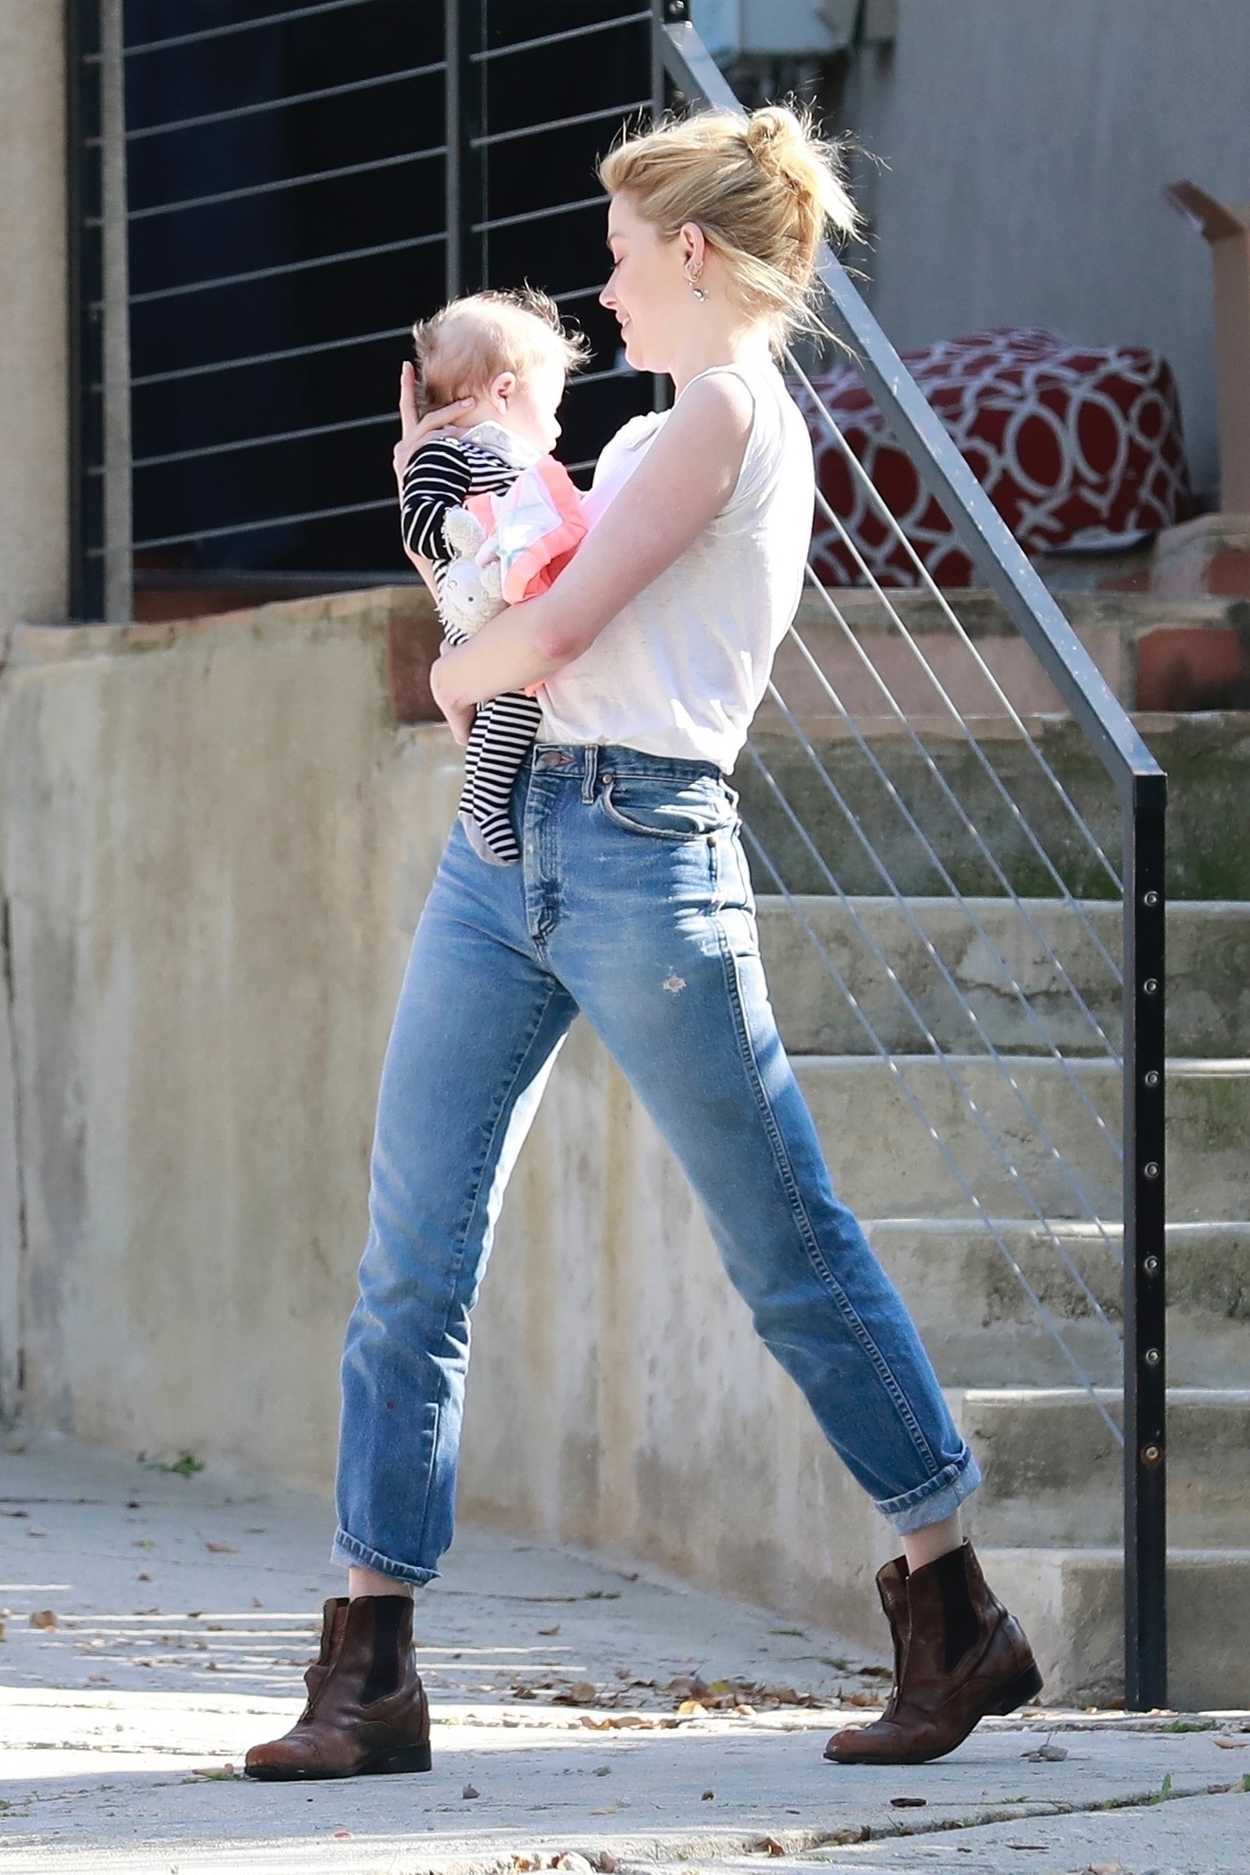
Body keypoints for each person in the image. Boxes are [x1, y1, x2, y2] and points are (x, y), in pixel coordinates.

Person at [244, 99, 1041, 1785]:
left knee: (785, 1249)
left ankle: (950, 1602)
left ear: (690, 251)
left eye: (616, 252)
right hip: (511, 848)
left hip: (640, 854)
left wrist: (459, 671)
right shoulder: (649, 433)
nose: (599, 290)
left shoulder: (722, 423)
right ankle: (367, 1659)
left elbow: (552, 629)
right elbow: (520, 590)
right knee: (410, 1262)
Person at [398, 286, 590, 866]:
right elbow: (419, 521)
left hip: (509, 599)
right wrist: (455, 528)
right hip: (478, 603)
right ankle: (483, 803)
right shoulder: (451, 451)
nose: (556, 429)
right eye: (551, 410)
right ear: (504, 392)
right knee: (513, 699)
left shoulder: (519, 467)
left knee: (516, 689)